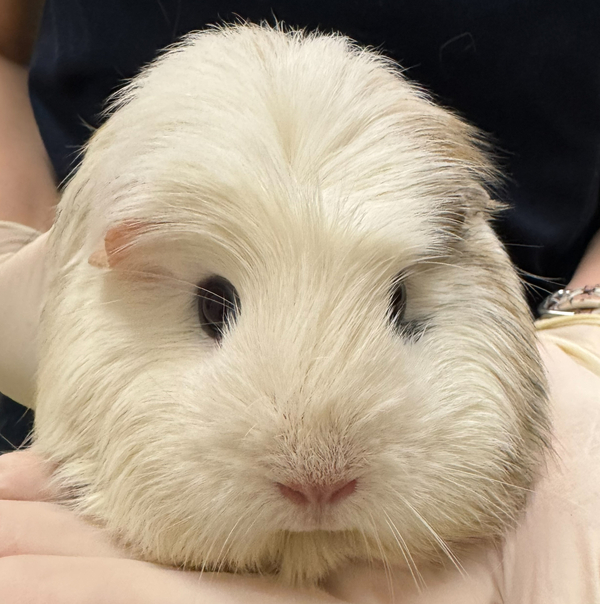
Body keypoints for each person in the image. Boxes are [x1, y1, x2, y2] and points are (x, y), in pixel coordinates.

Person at [0, 1, 599, 601]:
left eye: (396, 306)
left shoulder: (453, 227)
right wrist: (14, 237)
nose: (317, 475)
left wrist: (588, 333)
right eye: (216, 310)